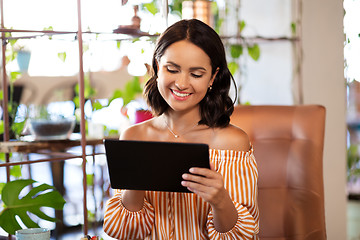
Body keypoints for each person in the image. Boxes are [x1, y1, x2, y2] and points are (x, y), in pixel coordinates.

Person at [103, 19, 259, 240]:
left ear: (213, 77)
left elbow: (244, 236)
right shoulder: (134, 137)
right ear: (157, 67)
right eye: (172, 69)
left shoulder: (232, 143)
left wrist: (220, 200)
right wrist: (136, 182)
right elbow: (125, 232)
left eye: (196, 74)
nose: (182, 84)